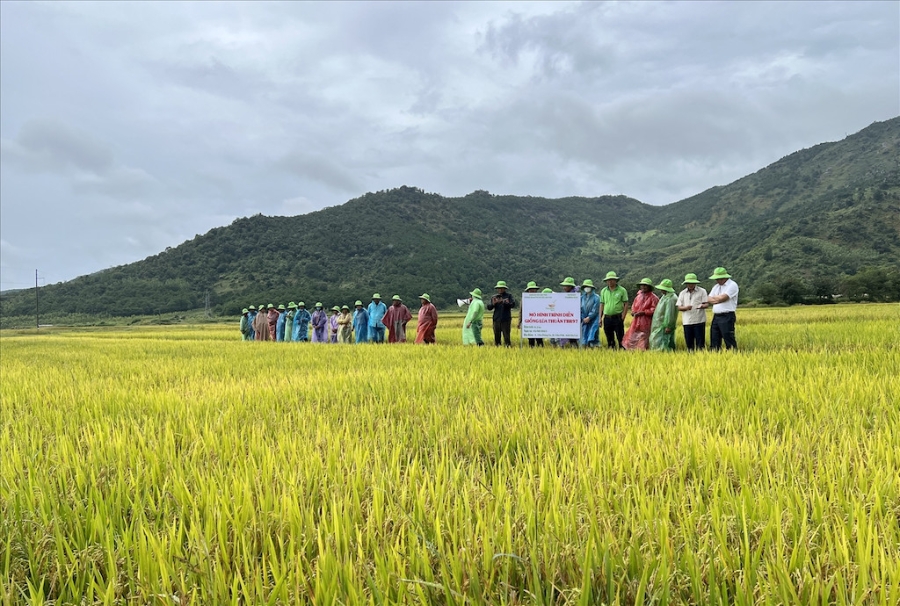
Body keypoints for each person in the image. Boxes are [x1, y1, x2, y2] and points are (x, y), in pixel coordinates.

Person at [707, 267, 739, 350]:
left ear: (724, 277)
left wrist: (716, 299)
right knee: (714, 338)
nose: (717, 280)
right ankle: (716, 357)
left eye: (718, 279)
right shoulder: (716, 287)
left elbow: (723, 298)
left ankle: (733, 356)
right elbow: (708, 299)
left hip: (727, 316)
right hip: (716, 316)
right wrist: (716, 299)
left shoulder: (732, 285)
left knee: (728, 338)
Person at [676, 273, 709, 351]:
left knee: (700, 343)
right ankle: (691, 357)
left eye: (692, 283)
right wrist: (686, 308)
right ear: (686, 283)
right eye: (689, 283)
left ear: (695, 283)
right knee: (689, 344)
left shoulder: (702, 291)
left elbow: (706, 304)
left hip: (699, 320)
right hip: (687, 321)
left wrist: (701, 306)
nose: (690, 285)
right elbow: (679, 307)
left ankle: (701, 357)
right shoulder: (682, 293)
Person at [623, 278, 658, 351]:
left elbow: (654, 310)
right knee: (633, 338)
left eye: (645, 285)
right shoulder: (638, 296)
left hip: (647, 322)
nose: (643, 287)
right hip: (636, 322)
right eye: (642, 285)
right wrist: (633, 312)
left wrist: (643, 312)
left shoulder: (653, 297)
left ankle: (644, 354)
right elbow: (633, 306)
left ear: (649, 287)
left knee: (644, 339)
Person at [599, 271, 629, 349]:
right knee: (609, 338)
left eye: (612, 280)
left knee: (620, 337)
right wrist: (600, 318)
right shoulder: (603, 291)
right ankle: (612, 351)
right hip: (607, 318)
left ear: (616, 280)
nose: (610, 281)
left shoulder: (622, 290)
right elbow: (602, 304)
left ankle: (622, 352)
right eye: (608, 280)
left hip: (617, 318)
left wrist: (623, 317)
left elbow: (626, 304)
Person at [486, 280, 517, 347]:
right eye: (499, 288)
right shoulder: (494, 297)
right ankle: (498, 348)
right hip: (496, 319)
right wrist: (494, 303)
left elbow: (512, 305)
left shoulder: (509, 296)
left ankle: (508, 348)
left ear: (505, 288)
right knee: (497, 336)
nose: (500, 289)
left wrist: (504, 302)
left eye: (501, 288)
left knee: (506, 336)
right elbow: (489, 307)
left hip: (506, 319)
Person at [650, 279, 677, 351]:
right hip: (659, 324)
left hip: (663, 326)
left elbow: (670, 314)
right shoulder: (664, 296)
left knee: (663, 344)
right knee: (657, 342)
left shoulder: (671, 298)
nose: (661, 290)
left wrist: (668, 326)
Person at [556, 277, 579, 348]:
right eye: (564, 286)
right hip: (565, 320)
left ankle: (575, 350)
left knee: (572, 337)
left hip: (572, 320)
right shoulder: (564, 296)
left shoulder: (575, 296)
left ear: (570, 286)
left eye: (566, 286)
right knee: (564, 335)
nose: (564, 288)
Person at [519, 281, 543, 347]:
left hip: (538, 321)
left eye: (533, 289)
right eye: (530, 290)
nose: (532, 291)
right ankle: (531, 350)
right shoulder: (524, 299)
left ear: (536, 290)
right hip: (529, 322)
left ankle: (542, 351)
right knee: (531, 339)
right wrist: (519, 322)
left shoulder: (541, 298)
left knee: (539, 338)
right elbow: (521, 311)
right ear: (528, 291)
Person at [579, 279, 601, 348]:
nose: (587, 288)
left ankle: (595, 348)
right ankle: (586, 348)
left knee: (593, 334)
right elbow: (580, 309)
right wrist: (583, 318)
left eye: (588, 286)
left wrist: (589, 317)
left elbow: (595, 309)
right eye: (585, 286)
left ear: (591, 288)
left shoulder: (596, 298)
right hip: (584, 320)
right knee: (584, 334)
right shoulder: (581, 298)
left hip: (594, 319)